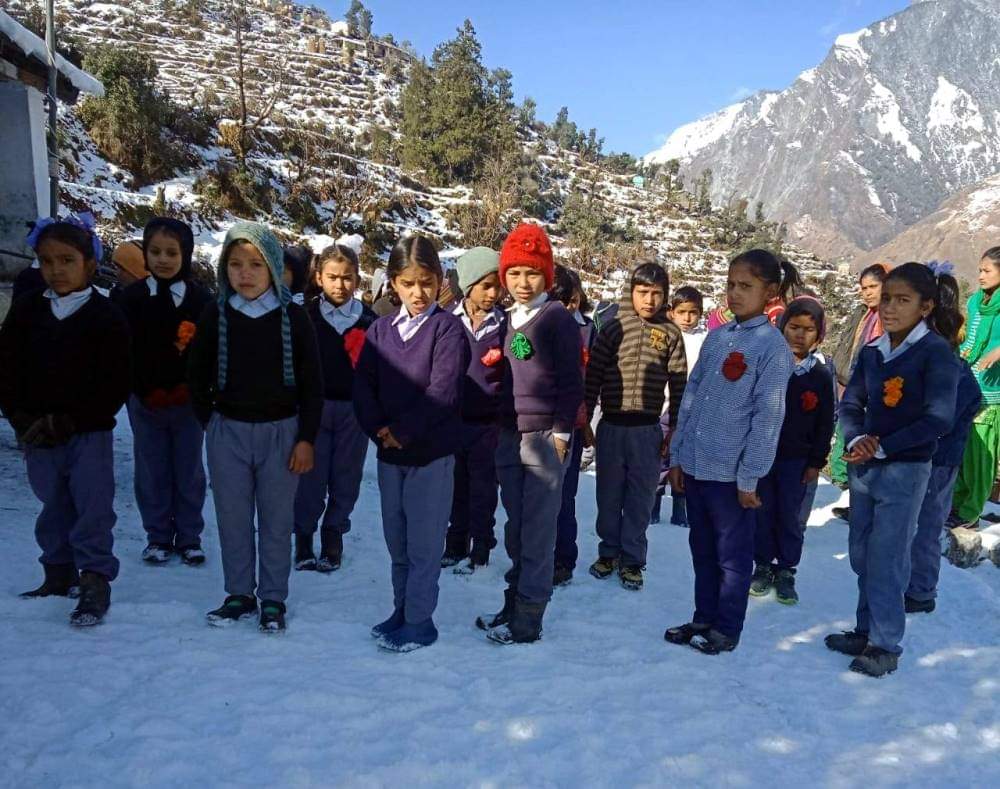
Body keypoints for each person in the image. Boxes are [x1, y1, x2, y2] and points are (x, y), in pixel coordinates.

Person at [825, 262, 961, 677]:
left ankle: (884, 643)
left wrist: (882, 445)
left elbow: (938, 419)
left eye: (902, 300)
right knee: (862, 551)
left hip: (905, 469)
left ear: (925, 307)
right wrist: (854, 439)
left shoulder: (936, 353)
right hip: (865, 467)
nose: (890, 308)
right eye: (886, 298)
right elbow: (852, 403)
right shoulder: (873, 351)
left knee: (888, 555)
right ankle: (865, 626)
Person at [188, 222, 323, 633]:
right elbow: (196, 371)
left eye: (255, 264)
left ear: (273, 267)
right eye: (235, 264)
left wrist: (305, 439)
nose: (244, 273)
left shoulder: (293, 317)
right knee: (232, 516)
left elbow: (312, 383)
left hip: (281, 433)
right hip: (228, 431)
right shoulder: (217, 312)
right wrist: (209, 419)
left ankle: (273, 598)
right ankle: (239, 593)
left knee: (277, 519)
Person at [0, 213, 130, 626]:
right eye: (47, 260)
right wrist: (20, 417)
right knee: (52, 501)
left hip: (87, 433)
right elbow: (7, 370)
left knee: (92, 503)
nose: (56, 269)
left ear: (89, 263)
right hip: (37, 433)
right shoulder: (25, 312)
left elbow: (114, 381)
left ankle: (94, 578)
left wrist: (73, 420)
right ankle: (57, 572)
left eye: (67, 259)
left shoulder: (105, 316)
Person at [664, 249, 795, 655]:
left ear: (770, 292)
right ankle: (703, 616)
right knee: (701, 549)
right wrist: (679, 455)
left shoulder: (772, 348)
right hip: (698, 465)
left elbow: (767, 417)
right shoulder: (718, 337)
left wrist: (750, 476)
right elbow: (692, 397)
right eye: (731, 285)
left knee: (733, 558)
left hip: (732, 476)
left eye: (746, 286)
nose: (735, 294)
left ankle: (726, 627)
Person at [354, 235, 469, 652]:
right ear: (393, 284)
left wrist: (401, 431)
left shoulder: (447, 329)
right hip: (389, 456)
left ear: (439, 281)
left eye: (426, 282)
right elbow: (363, 386)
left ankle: (420, 621)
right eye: (408, 283)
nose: (418, 293)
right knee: (397, 540)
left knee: (423, 543)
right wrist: (379, 429)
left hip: (430, 456)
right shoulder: (381, 331)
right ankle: (400, 610)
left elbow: (443, 391)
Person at [476, 224, 583, 645]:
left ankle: (529, 617)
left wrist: (561, 432)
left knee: (538, 530)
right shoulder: (505, 320)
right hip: (510, 435)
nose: (523, 283)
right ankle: (512, 601)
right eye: (515, 273)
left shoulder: (556, 319)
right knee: (517, 527)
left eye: (532, 274)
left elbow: (572, 382)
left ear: (548, 277)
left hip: (543, 437)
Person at [584, 262, 687, 591]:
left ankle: (632, 560)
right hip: (612, 427)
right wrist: (584, 420)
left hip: (647, 430)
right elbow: (593, 377)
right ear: (631, 292)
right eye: (643, 292)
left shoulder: (671, 334)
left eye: (657, 294)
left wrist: (675, 431)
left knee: (641, 499)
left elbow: (680, 384)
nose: (650, 300)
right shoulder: (613, 328)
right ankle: (608, 552)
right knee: (609, 495)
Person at [119, 218, 212, 566]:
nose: (163, 259)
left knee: (188, 469)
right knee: (151, 469)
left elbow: (206, 353)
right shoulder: (131, 298)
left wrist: (193, 389)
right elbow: (125, 352)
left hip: (187, 404)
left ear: (185, 255)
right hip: (146, 402)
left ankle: (189, 536)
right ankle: (157, 536)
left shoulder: (202, 300)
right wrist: (142, 390)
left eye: (171, 252)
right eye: (155, 251)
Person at [293, 243, 376, 573]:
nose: (340, 285)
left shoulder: (369, 320)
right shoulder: (305, 316)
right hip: (313, 409)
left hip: (353, 412)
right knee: (309, 477)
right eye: (332, 277)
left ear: (357, 279)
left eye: (347, 278)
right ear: (319, 277)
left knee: (346, 477)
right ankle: (303, 536)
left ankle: (333, 534)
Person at [750, 297, 835, 604]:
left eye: (808, 329)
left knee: (791, 516)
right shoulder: (768, 365)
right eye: (794, 327)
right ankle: (761, 565)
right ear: (781, 328)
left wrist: (816, 461)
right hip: (763, 456)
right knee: (762, 510)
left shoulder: (821, 376)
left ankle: (786, 568)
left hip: (797, 461)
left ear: (819, 335)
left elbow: (826, 423)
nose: (800, 334)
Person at [442, 247, 505, 574]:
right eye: (485, 286)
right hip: (454, 420)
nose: (493, 293)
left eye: (497, 286)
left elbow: (520, 360)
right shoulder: (448, 321)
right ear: (468, 287)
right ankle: (455, 543)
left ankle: (481, 545)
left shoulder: (505, 326)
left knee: (483, 487)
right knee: (456, 485)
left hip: (488, 424)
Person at [828, 263, 891, 515]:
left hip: (873, 390)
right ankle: (847, 488)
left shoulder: (888, 318)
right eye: (863, 288)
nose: (867, 292)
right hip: (851, 384)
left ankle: (863, 501)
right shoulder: (863, 314)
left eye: (873, 286)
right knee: (847, 435)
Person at [551, 264, 596, 587]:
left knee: (564, 496)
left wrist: (586, 421)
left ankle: (563, 559)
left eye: (565, 302)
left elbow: (591, 383)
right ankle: (537, 555)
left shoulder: (589, 331)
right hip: (536, 422)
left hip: (571, 424)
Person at [951, 247, 1000, 528]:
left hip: (993, 391)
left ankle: (971, 512)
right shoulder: (975, 302)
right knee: (963, 445)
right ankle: (956, 503)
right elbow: (968, 337)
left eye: (987, 271)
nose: (980, 276)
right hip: (969, 381)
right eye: (979, 270)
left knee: (981, 455)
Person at [652, 285, 706, 526]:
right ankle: (653, 504)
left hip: (693, 411)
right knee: (660, 456)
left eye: (693, 312)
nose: (687, 318)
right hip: (664, 408)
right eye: (681, 311)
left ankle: (679, 507)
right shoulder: (663, 336)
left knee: (684, 458)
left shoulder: (705, 341)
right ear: (671, 311)